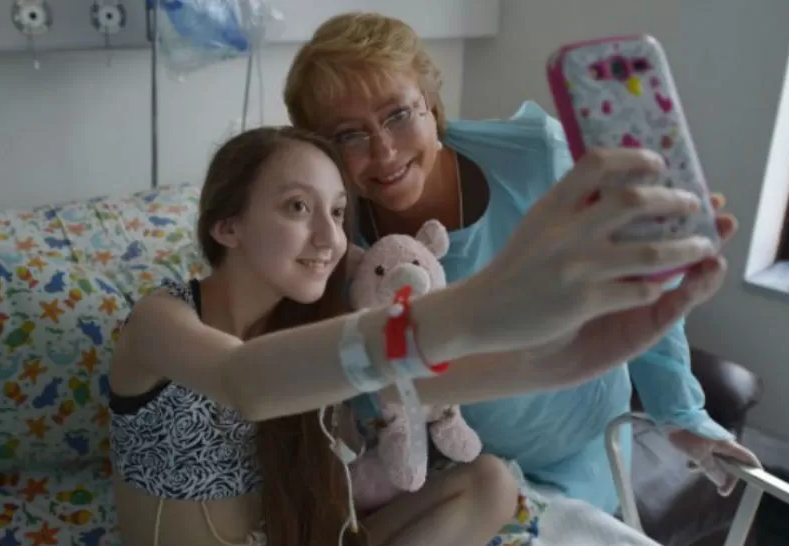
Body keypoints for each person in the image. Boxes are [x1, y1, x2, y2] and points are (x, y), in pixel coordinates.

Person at [108, 125, 726, 546]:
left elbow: (427, 379)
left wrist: (570, 358)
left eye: (336, 212)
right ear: (227, 225)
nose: (329, 239)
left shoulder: (312, 327)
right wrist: (474, 308)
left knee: (491, 481)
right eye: (297, 208)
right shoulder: (160, 324)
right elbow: (244, 381)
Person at [282, 11, 760, 515]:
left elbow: (637, 276)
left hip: (576, 449)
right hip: (452, 472)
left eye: (398, 115)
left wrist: (681, 412)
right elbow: (358, 372)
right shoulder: (331, 236)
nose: (383, 150)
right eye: (348, 135)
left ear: (431, 104)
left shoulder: (538, 159)